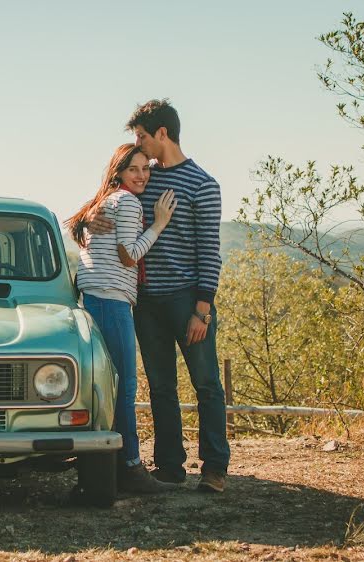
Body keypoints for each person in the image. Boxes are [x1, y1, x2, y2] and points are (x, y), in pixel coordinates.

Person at [99, 98, 230, 493]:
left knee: (206, 383)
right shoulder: (143, 177)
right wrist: (91, 216)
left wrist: (202, 311)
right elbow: (106, 199)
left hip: (188, 299)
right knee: (160, 386)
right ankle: (171, 466)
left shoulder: (204, 185)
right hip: (146, 300)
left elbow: (210, 250)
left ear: (162, 134)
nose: (138, 143)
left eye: (141, 135)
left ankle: (215, 469)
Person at [65, 143, 177, 494]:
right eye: (135, 170)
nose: (142, 175)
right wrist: (159, 224)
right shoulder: (127, 202)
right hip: (112, 301)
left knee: (105, 387)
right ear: (120, 173)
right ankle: (130, 466)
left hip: (94, 298)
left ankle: (111, 463)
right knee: (124, 387)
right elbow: (129, 256)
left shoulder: (104, 201)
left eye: (146, 169)